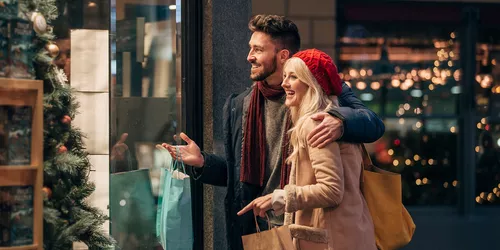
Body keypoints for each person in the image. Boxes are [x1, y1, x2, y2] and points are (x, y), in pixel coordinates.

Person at [163, 15, 384, 250]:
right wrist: (202, 162)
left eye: (258, 49)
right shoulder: (240, 105)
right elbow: (239, 174)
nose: (249, 57)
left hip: (308, 227)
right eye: (250, 48)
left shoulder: (322, 96)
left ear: (283, 55)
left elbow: (373, 124)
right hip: (260, 229)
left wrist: (340, 122)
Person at [238, 49, 376, 250]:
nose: (284, 83)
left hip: (331, 241)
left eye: (293, 77)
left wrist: (279, 197)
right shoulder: (334, 120)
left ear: (312, 83)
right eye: (285, 76)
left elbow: (331, 190)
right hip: (349, 234)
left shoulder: (317, 122)